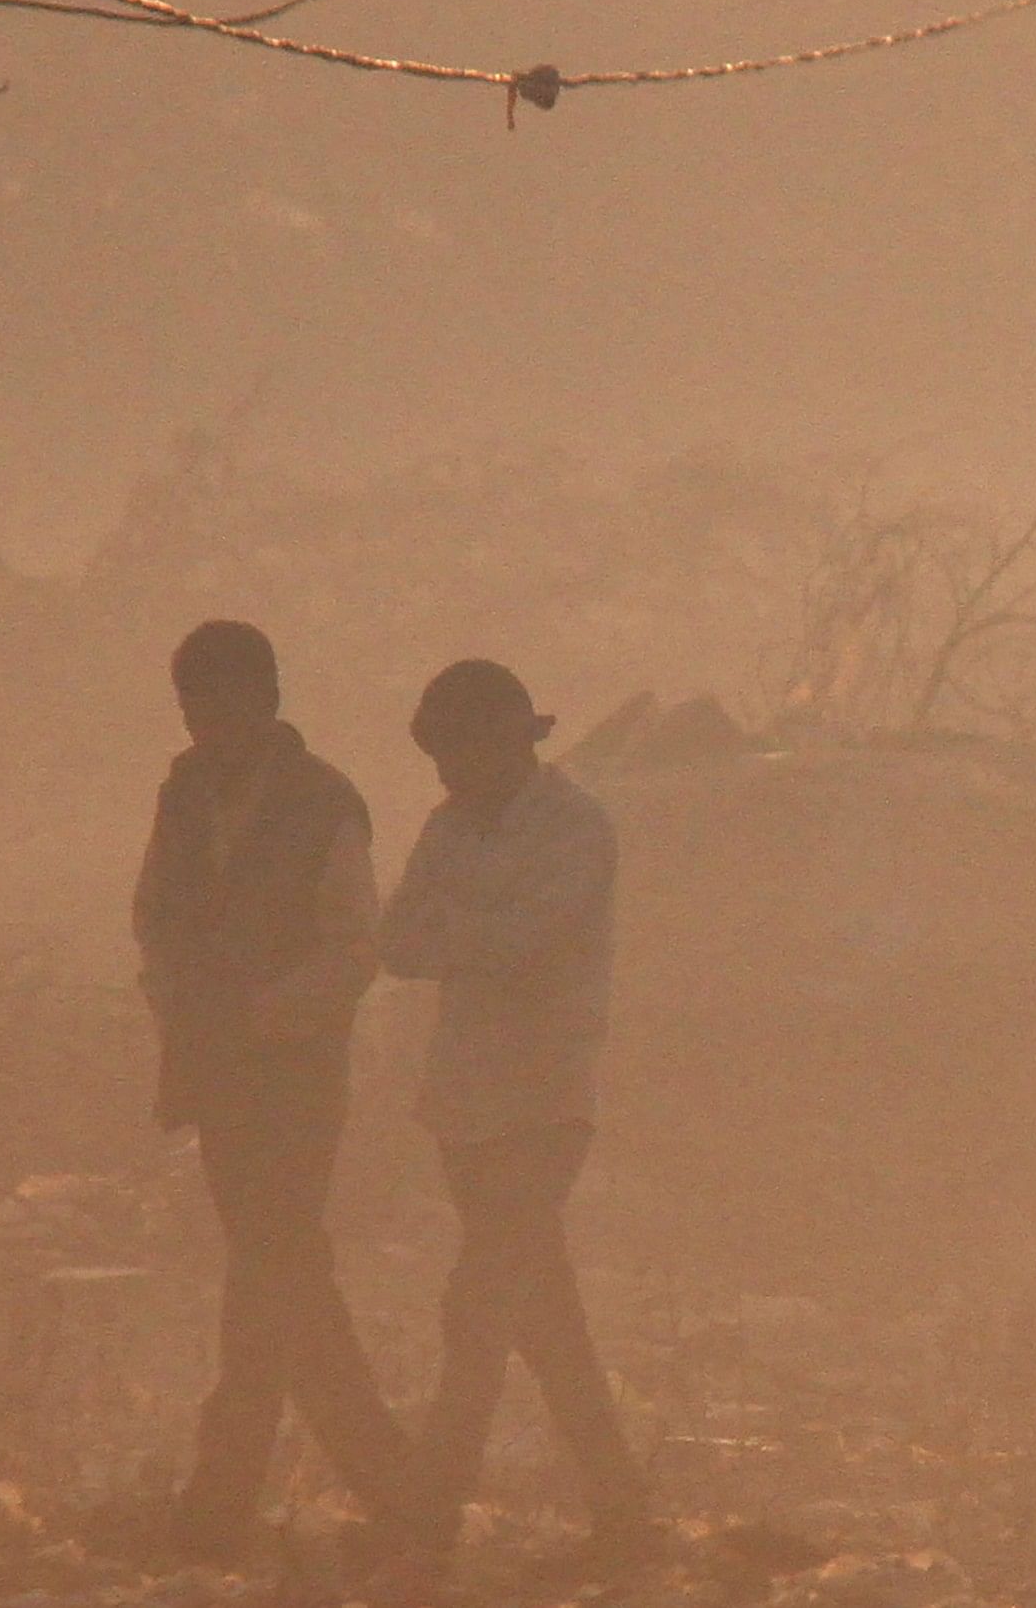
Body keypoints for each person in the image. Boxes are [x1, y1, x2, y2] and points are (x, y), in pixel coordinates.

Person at [131, 619, 420, 1559]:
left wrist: (264, 1015)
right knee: (280, 1271)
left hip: (294, 1074)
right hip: (218, 1074)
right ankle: (397, 1489)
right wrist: (178, 1005)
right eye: (189, 701)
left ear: (264, 698)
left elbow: (353, 945)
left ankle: (225, 1500)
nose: (201, 718)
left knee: (268, 1269)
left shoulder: (322, 800)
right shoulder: (181, 796)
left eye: (216, 698)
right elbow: (154, 918)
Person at [377, 659, 651, 1565]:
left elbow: (528, 942)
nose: (446, 772)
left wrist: (461, 931)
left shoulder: (576, 826)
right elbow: (401, 941)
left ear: (505, 740)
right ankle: (623, 1512)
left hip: (542, 1101)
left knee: (479, 1308)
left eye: (456, 750)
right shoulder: (448, 827)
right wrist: (473, 934)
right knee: (543, 1316)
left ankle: (427, 1517)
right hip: (464, 1104)